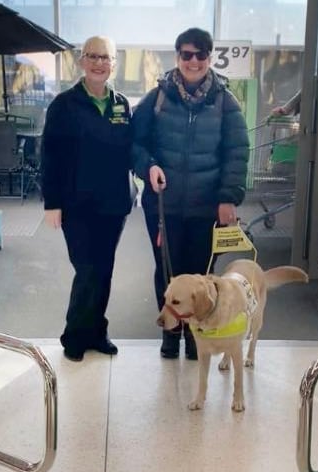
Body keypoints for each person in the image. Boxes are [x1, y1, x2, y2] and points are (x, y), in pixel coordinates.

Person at [132, 27, 250, 359]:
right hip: (162, 206)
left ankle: (197, 336)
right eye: (186, 54)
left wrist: (228, 197)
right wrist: (148, 166)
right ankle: (171, 334)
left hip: (206, 207)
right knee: (168, 273)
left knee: (201, 278)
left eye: (200, 55)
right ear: (177, 57)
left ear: (209, 58)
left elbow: (237, 152)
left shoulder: (226, 102)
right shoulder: (156, 99)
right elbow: (136, 144)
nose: (193, 61)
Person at [41, 36, 133, 362]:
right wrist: (52, 202)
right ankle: (74, 336)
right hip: (76, 205)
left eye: (105, 57)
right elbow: (49, 156)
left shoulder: (122, 104)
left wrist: (151, 169)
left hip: (114, 204)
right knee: (87, 269)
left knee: (103, 270)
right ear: (82, 61)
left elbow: (131, 150)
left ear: (113, 63)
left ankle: (97, 332)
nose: (98, 63)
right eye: (92, 56)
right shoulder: (64, 105)